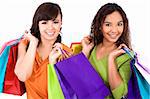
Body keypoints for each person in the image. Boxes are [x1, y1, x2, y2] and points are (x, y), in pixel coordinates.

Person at [81, 3, 132, 99]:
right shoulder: (92, 48)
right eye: (108, 24)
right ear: (100, 26)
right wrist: (85, 52)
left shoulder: (126, 56)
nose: (114, 30)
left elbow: (120, 95)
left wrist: (111, 59)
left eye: (119, 24)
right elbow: (77, 80)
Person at [14, 2, 64, 99]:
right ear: (37, 24)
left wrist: (53, 64)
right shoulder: (25, 46)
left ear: (61, 24)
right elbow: (23, 75)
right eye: (44, 22)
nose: (50, 27)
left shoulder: (65, 53)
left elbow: (66, 92)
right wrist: (33, 42)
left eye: (55, 22)